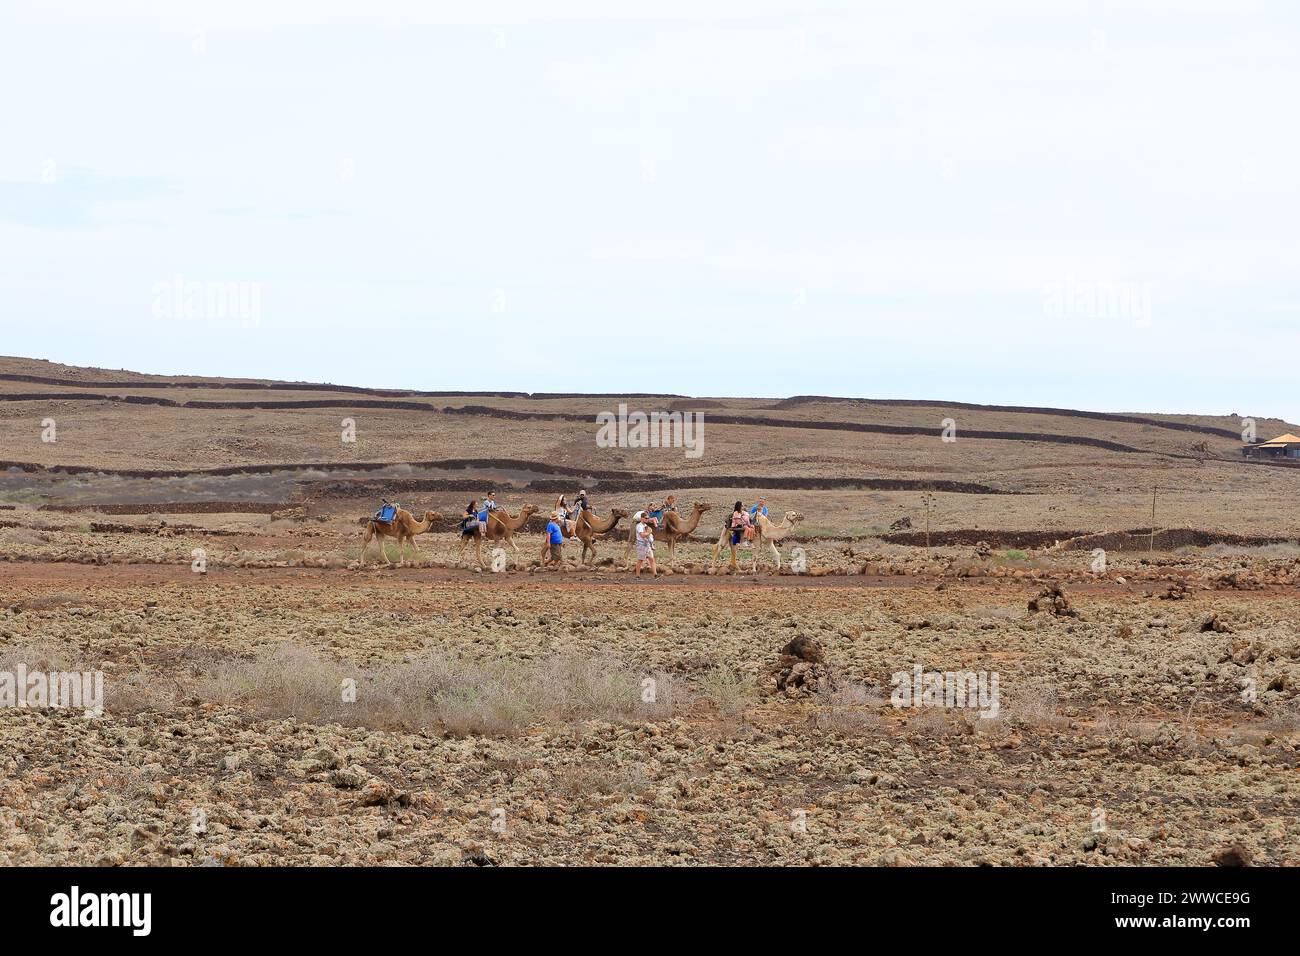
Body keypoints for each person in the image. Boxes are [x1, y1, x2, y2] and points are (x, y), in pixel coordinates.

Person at [725, 500, 751, 568]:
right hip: (737, 524)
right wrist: (742, 516)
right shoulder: (736, 513)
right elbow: (738, 520)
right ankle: (745, 541)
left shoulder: (743, 512)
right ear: (739, 506)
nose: (743, 507)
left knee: (751, 528)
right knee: (746, 529)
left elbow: (746, 517)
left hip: (743, 524)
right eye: (742, 505)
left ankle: (749, 540)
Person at [634, 512, 658, 577]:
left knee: (652, 559)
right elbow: (642, 535)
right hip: (641, 545)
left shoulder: (645, 526)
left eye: (648, 518)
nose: (647, 519)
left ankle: (655, 574)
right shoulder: (639, 526)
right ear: (642, 518)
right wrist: (649, 532)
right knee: (640, 560)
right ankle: (637, 575)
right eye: (646, 518)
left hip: (647, 544)